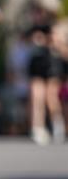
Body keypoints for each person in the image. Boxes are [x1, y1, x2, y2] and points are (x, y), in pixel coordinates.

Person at [26, 13, 66, 145]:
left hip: (53, 68)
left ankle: (57, 125)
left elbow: (63, 53)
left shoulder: (59, 33)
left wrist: (55, 42)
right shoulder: (35, 31)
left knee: (51, 97)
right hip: (38, 66)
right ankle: (37, 127)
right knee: (37, 96)